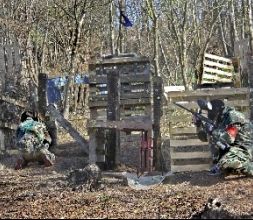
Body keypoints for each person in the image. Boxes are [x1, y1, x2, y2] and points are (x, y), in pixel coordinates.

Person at [192, 99, 253, 176]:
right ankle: (220, 165)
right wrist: (199, 125)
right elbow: (204, 138)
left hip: (246, 147)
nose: (208, 114)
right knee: (225, 165)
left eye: (209, 112)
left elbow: (229, 138)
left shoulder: (233, 116)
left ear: (215, 111)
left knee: (229, 163)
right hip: (233, 148)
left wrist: (213, 131)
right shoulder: (219, 119)